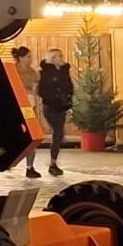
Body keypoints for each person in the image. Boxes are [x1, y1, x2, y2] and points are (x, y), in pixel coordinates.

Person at [37, 48, 75, 176]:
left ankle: (53, 163)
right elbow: (41, 90)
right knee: (58, 132)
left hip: (62, 106)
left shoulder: (64, 71)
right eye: (58, 56)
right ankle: (52, 163)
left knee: (58, 134)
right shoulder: (45, 72)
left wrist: (68, 97)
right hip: (50, 106)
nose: (61, 58)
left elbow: (69, 86)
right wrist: (52, 98)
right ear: (52, 58)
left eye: (61, 55)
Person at [11, 46, 44, 179]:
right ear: (20, 58)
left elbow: (35, 91)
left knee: (32, 137)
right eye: (28, 57)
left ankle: (30, 167)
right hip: (15, 107)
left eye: (31, 57)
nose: (31, 60)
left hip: (29, 107)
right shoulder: (12, 71)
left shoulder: (33, 73)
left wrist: (35, 102)